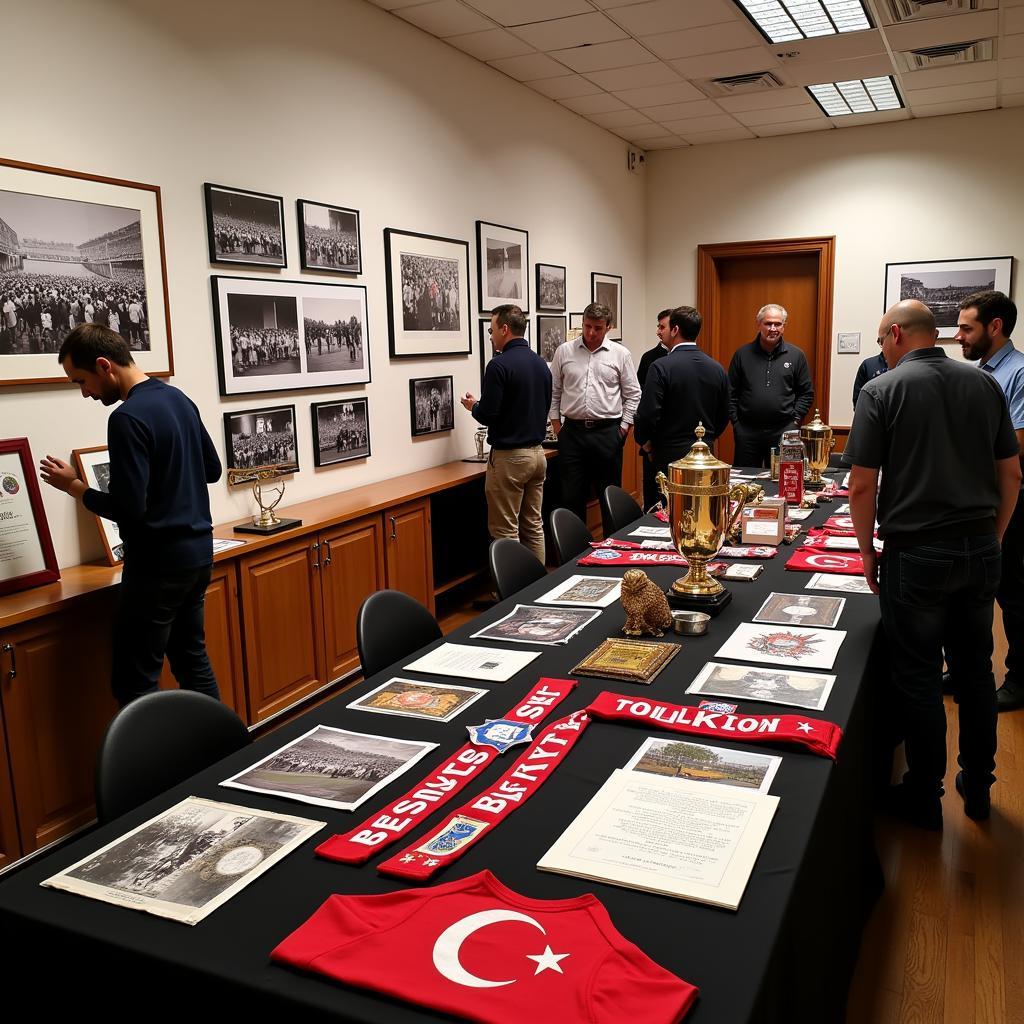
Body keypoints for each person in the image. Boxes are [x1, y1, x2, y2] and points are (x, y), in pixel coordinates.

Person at [844, 299, 1020, 828]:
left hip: (915, 552)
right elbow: (1011, 475)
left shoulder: (882, 389)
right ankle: (979, 783)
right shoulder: (985, 384)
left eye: (880, 340)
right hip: (979, 547)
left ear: (896, 333)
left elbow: (860, 485)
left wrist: (866, 552)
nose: (881, 349)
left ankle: (924, 793)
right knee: (975, 672)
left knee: (918, 676)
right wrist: (994, 535)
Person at [39, 323, 224, 708]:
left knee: (134, 685)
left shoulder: (126, 418)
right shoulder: (178, 399)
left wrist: (74, 486)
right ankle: (223, 756)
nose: (85, 393)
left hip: (156, 568)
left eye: (81, 381)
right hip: (198, 556)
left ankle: (159, 769)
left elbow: (129, 510)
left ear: (105, 366)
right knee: (192, 663)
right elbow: (212, 470)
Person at [955, 290, 1024, 712]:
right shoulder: (982, 371)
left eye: (967, 327)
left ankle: (1020, 678)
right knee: (973, 592)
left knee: (1013, 594)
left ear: (994, 327)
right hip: (975, 500)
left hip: (1010, 500)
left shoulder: (1018, 372)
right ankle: (962, 670)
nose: (958, 336)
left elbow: (1017, 445)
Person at [461, 304, 551, 564]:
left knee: (505, 532)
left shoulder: (498, 366)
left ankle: (511, 597)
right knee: (533, 525)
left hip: (510, 458)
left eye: (491, 329)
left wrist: (473, 406)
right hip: (538, 454)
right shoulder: (540, 364)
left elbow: (488, 414)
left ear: (504, 329)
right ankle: (537, 588)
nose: (490, 336)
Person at [549, 301, 641, 524]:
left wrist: (623, 427)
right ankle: (575, 553)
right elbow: (554, 392)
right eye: (587, 326)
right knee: (571, 496)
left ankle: (614, 550)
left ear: (608, 327)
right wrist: (557, 426)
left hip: (607, 432)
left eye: (597, 328)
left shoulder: (620, 354)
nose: (590, 333)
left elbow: (633, 394)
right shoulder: (564, 351)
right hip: (572, 432)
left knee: (609, 495)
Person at [633, 305, 729, 510]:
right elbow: (724, 414)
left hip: (668, 454)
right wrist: (708, 438)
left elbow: (647, 413)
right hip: (705, 455)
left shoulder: (661, 367)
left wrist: (645, 443)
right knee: (699, 510)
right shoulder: (716, 368)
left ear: (675, 330)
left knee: (665, 513)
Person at [727, 303, 814, 467]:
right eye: (768, 323)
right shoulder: (742, 354)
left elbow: (806, 393)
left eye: (777, 324)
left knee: (783, 480)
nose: (772, 328)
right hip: (747, 432)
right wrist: (736, 423)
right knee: (744, 480)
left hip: (784, 431)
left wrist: (795, 420)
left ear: (784, 326)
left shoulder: (796, 355)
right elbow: (730, 392)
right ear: (758, 324)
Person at [637, 309, 671, 388]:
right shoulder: (648, 357)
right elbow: (640, 389)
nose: (657, 332)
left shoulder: (685, 357)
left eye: (662, 327)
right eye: (658, 327)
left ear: (675, 330)